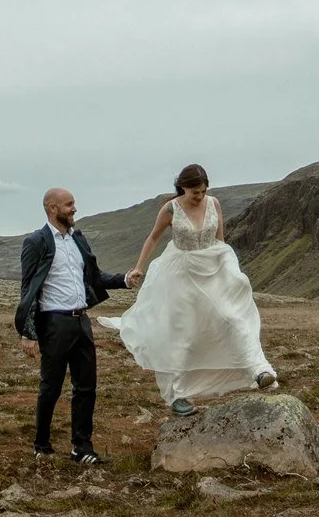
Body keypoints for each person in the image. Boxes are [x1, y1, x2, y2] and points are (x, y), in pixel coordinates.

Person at [98, 164, 278, 416]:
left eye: (203, 191)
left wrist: (229, 269)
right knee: (184, 331)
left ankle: (258, 370)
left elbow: (220, 240)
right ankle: (177, 396)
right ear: (183, 187)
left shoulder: (214, 204)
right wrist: (139, 267)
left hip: (213, 269)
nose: (200, 196)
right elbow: (153, 238)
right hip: (181, 274)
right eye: (195, 192)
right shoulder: (170, 209)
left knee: (232, 316)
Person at [14, 186, 139, 464]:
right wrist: (28, 331)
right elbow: (28, 290)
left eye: (74, 204)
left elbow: (95, 276)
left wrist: (124, 280)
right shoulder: (36, 242)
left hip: (81, 322)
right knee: (51, 387)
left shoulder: (78, 239)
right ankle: (42, 445)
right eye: (69, 204)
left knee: (86, 387)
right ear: (52, 208)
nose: (75, 209)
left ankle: (81, 448)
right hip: (54, 325)